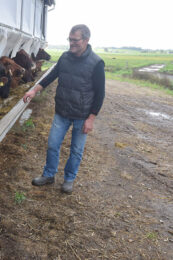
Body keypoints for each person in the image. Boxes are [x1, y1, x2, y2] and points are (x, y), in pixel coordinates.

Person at [23, 24, 105, 194]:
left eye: (75, 40)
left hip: (82, 115)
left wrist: (91, 118)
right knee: (52, 144)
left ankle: (69, 179)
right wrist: (33, 90)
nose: (71, 43)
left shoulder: (96, 63)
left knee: (76, 150)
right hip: (62, 112)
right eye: (70, 39)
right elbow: (50, 77)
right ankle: (49, 175)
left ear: (86, 40)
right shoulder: (65, 58)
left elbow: (100, 94)